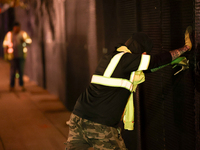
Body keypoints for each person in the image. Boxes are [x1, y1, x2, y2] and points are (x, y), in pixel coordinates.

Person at [65, 26, 193, 150]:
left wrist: (174, 61)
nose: (144, 55)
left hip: (78, 117)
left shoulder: (112, 57)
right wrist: (186, 48)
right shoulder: (126, 60)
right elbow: (155, 61)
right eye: (144, 53)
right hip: (100, 124)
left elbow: (148, 68)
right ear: (139, 50)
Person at [3, 22, 32, 91]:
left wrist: (24, 42)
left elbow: (29, 42)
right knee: (13, 71)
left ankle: (21, 85)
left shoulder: (23, 34)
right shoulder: (9, 35)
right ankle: (12, 86)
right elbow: (5, 44)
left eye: (18, 28)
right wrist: (6, 54)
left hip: (21, 56)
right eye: (15, 28)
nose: (16, 29)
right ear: (13, 28)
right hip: (12, 56)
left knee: (21, 71)